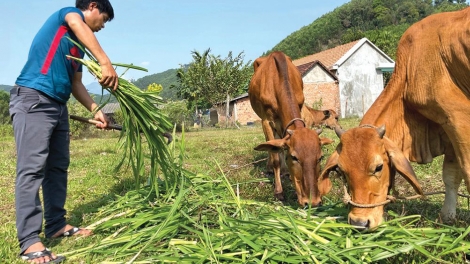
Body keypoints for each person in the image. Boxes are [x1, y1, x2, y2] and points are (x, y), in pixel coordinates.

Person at [9, 1, 118, 263]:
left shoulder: (76, 47)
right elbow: (75, 22)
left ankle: (56, 224)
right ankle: (29, 241)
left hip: (57, 105)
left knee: (58, 166)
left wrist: (96, 110)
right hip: (34, 98)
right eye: (103, 18)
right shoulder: (67, 16)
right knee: (32, 168)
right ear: (91, 6)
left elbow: (76, 83)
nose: (102, 26)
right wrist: (105, 62)